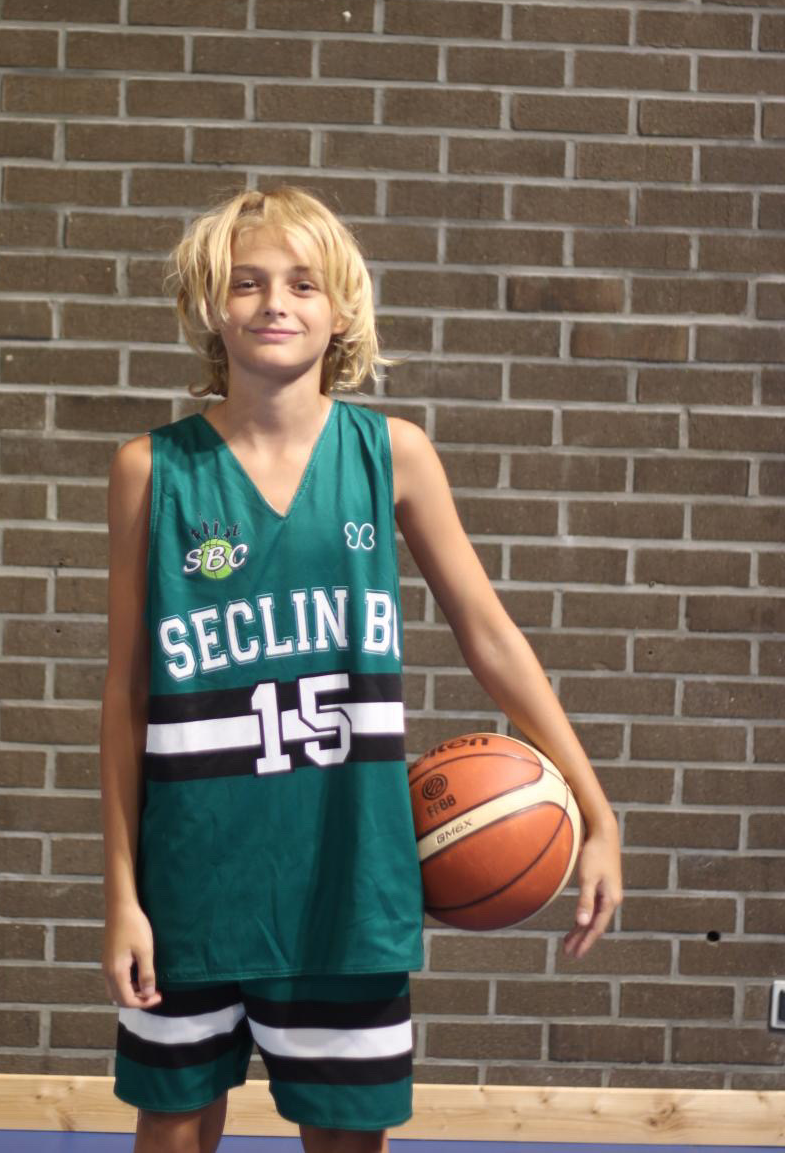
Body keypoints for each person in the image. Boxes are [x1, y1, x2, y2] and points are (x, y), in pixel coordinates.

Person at [100, 184, 622, 1153]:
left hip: (349, 887)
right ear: (211, 307)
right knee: (170, 1129)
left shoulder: (393, 455)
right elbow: (128, 699)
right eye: (247, 283)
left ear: (341, 309)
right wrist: (121, 898)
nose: (275, 302)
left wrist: (596, 811)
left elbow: (490, 636)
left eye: (303, 283)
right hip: (191, 889)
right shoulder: (151, 470)